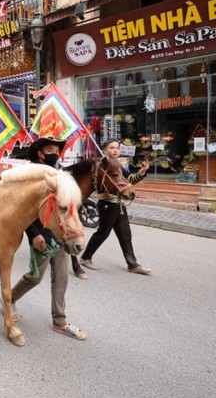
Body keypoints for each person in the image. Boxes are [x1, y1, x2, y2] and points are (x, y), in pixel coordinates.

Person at [10, 135, 87, 341]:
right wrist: (34, 234)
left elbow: (68, 206)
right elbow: (24, 210)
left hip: (62, 233)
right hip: (42, 234)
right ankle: (9, 298)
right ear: (40, 153)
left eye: (56, 150)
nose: (55, 154)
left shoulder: (60, 173)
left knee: (61, 278)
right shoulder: (31, 176)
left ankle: (59, 321)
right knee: (35, 277)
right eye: (50, 150)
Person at [79, 139, 152, 275]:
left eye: (117, 148)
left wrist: (142, 172)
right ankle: (85, 257)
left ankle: (132, 264)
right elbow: (98, 185)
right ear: (105, 150)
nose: (115, 151)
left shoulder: (118, 164)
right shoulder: (100, 166)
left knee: (125, 234)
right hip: (107, 204)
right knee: (102, 233)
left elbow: (128, 180)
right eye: (111, 148)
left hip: (118, 204)